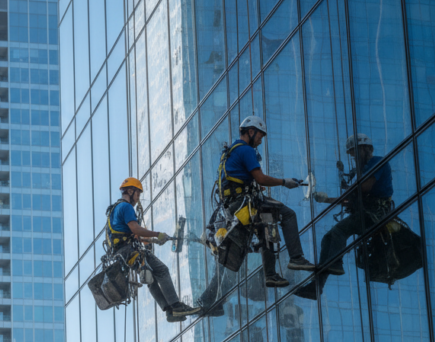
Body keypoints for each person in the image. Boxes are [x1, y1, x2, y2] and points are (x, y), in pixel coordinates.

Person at [207, 116, 314, 295]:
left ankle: (270, 275)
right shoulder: (246, 150)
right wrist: (283, 181)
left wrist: (255, 184)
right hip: (245, 204)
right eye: (260, 136)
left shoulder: (230, 151)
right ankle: (296, 258)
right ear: (251, 131)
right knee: (288, 215)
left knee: (267, 230)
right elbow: (261, 177)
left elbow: (239, 178)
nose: (260, 140)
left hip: (234, 206)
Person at [297, 134, 392, 299]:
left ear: (366, 149)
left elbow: (364, 187)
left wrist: (351, 186)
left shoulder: (377, 162)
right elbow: (351, 198)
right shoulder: (362, 172)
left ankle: (336, 263)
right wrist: (326, 199)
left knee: (338, 232)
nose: (353, 158)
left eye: (355, 153)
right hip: (367, 214)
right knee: (328, 238)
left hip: (375, 214)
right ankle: (316, 286)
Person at [106, 178, 200, 322]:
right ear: (130, 191)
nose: (138, 199)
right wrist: (157, 234)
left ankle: (169, 311)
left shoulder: (114, 210)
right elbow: (135, 228)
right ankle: (176, 306)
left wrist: (150, 240)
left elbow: (129, 234)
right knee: (162, 270)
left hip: (123, 254)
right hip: (129, 251)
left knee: (151, 278)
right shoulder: (126, 207)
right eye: (138, 194)